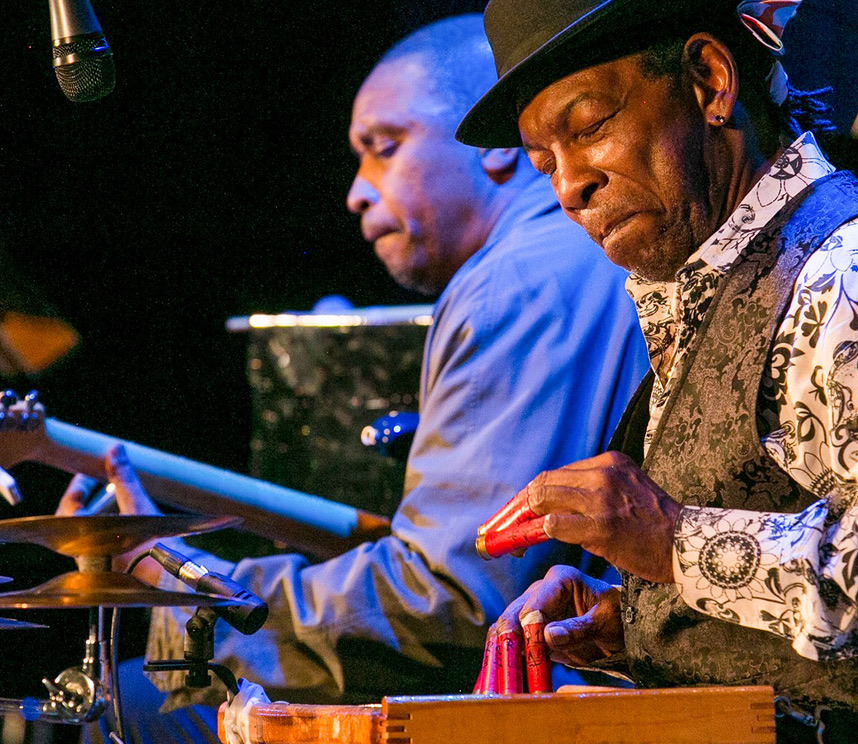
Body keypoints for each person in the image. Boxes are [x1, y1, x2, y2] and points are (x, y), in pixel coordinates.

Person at [455, 1, 858, 742]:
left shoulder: (856, 278)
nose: (567, 185)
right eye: (544, 162)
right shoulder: (719, 276)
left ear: (709, 82)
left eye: (588, 128)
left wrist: (678, 544)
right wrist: (656, 616)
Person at [57, 13, 648, 743]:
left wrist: (186, 588)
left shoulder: (515, 284)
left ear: (495, 144)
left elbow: (450, 598)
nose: (356, 193)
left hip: (566, 706)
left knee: (126, 711)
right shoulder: (554, 261)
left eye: (384, 148)